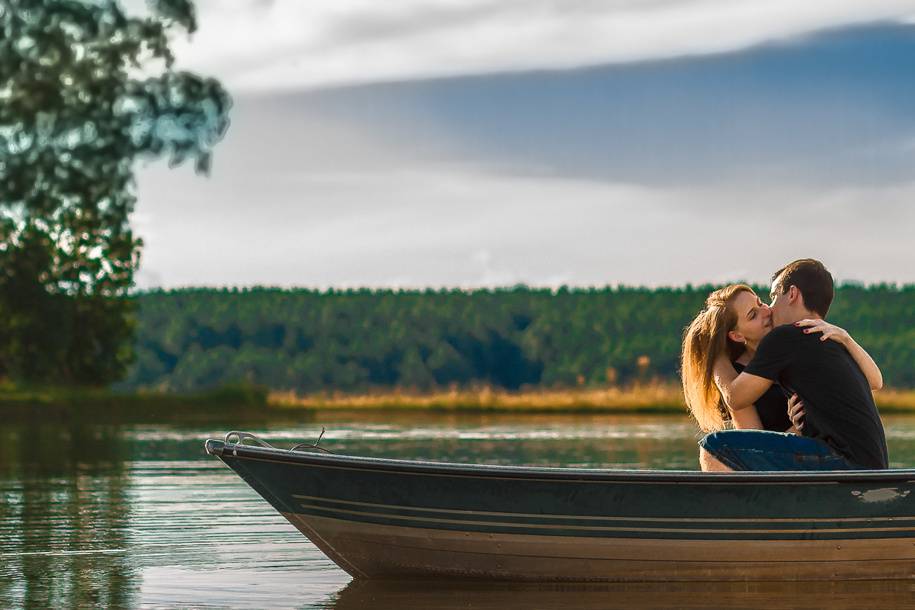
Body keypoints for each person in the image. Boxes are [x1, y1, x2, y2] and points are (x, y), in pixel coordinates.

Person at [703, 259, 888, 471]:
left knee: (716, 445)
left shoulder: (785, 337)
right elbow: (876, 381)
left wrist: (712, 353)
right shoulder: (827, 337)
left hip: (844, 463)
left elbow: (735, 398)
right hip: (872, 466)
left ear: (792, 294)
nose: (770, 309)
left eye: (772, 298)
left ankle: (729, 505)